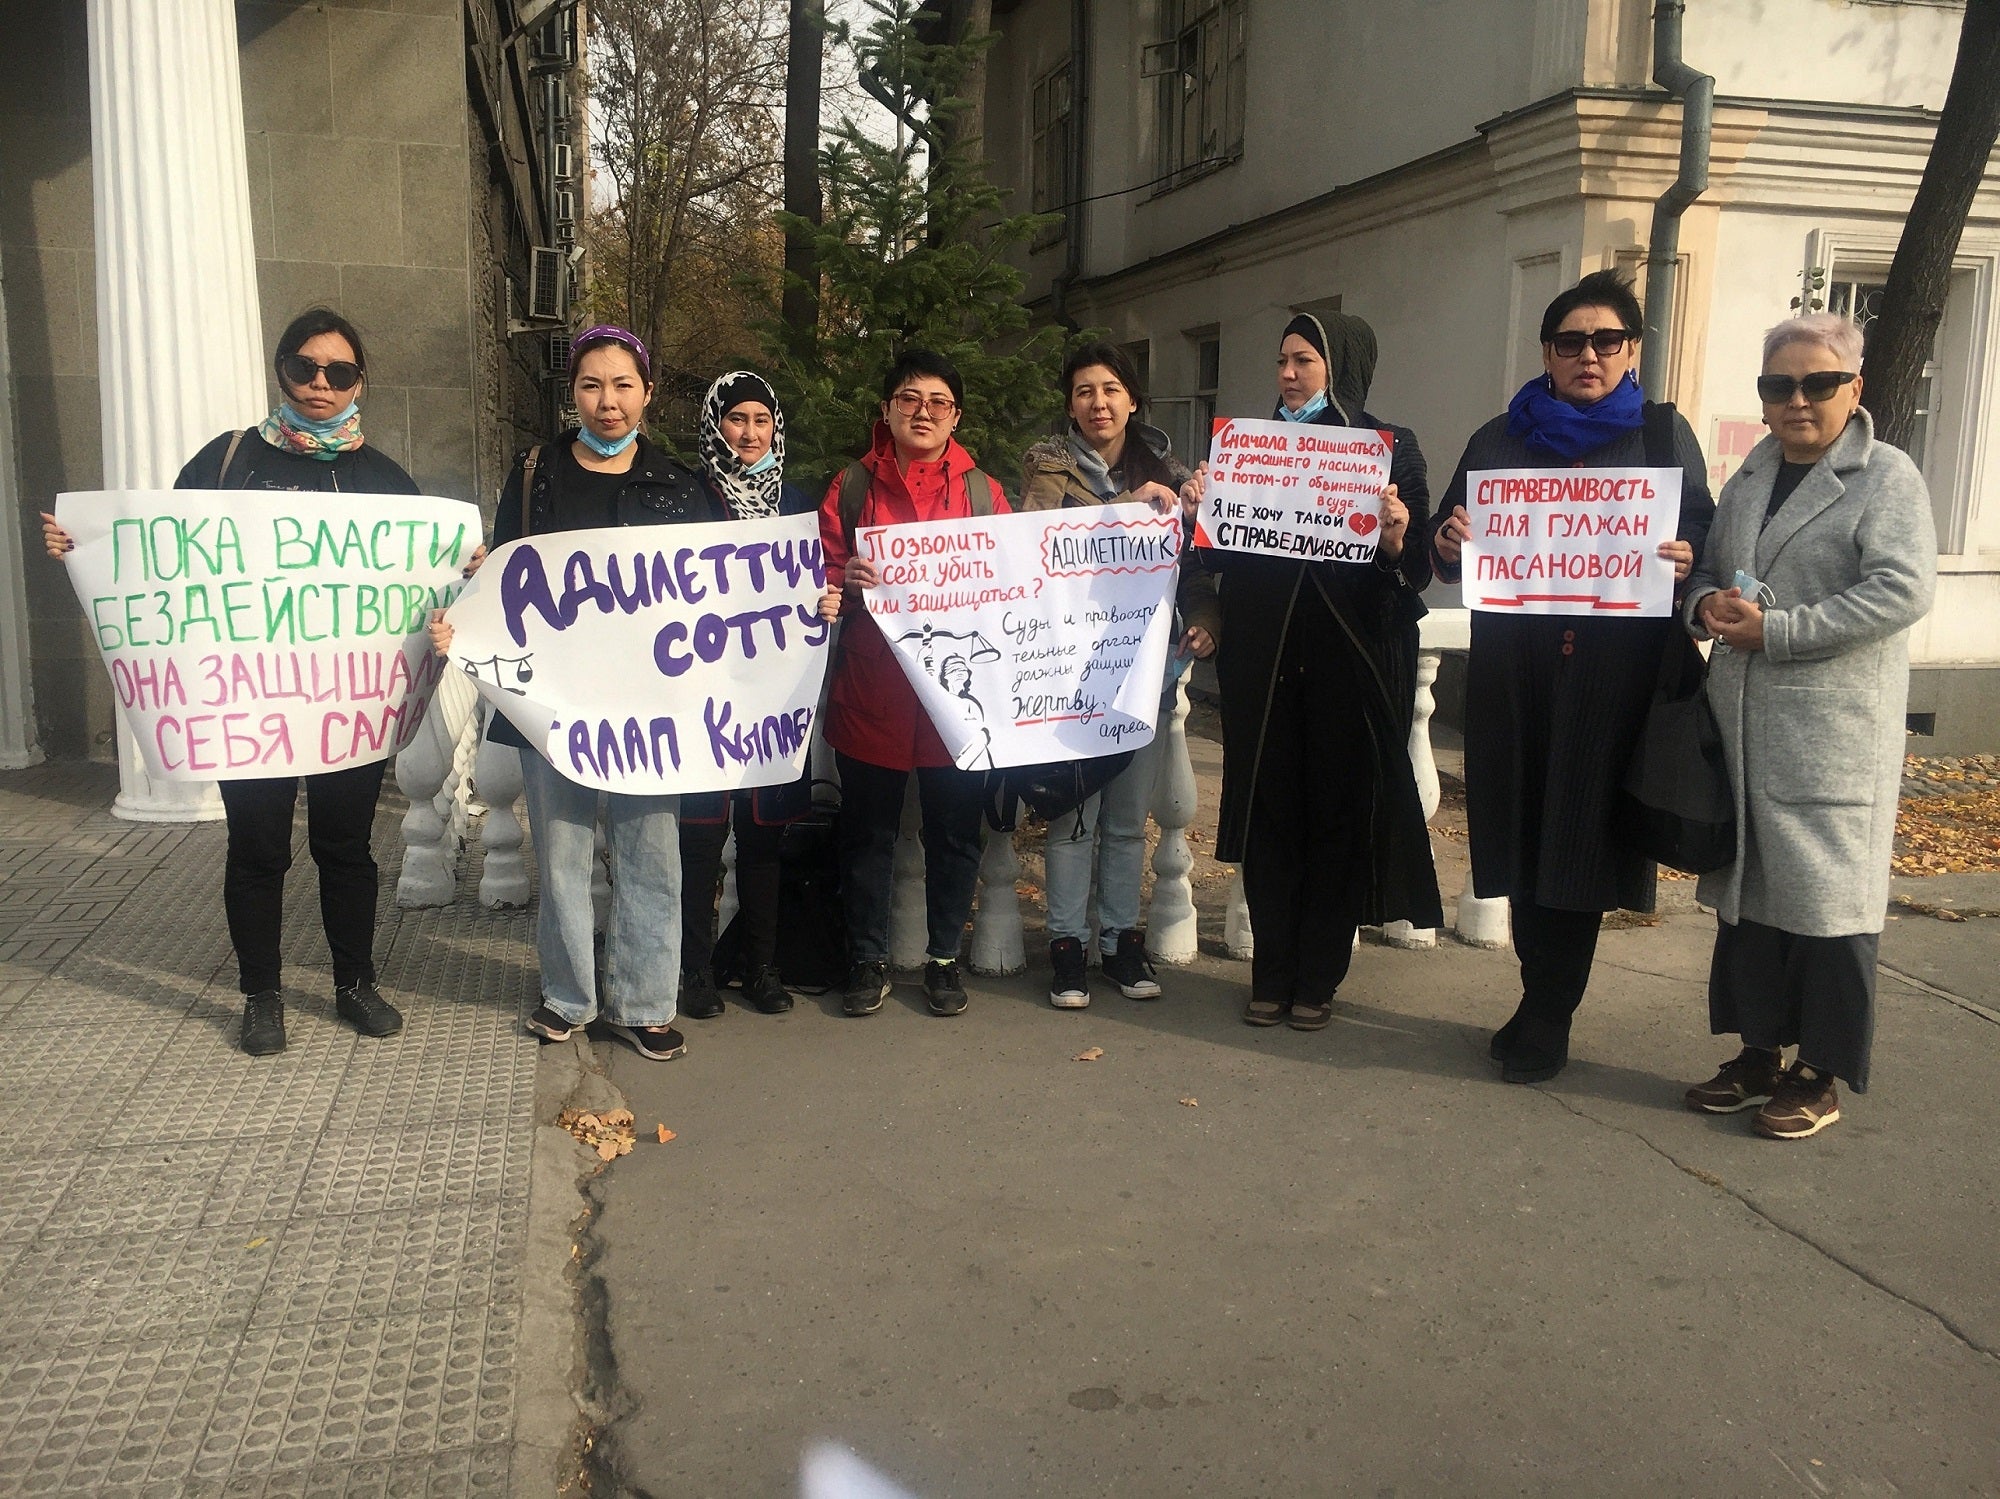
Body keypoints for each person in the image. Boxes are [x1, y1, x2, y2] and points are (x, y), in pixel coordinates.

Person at [42, 307, 422, 1057]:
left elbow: (423, 574)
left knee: (346, 846)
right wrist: (83, 546)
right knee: (258, 848)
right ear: (280, 369)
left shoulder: (384, 479)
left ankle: (355, 982)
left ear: (359, 384)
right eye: (304, 367)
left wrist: (463, 566)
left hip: (349, 701)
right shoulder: (229, 460)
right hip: (249, 701)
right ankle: (261, 993)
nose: (320, 383)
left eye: (338, 372)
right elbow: (158, 550)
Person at [1429, 270, 1713, 1084]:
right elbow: (1445, 550)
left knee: (1581, 841)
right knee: (1519, 831)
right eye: (1570, 342)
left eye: (1606, 340)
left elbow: (1703, 536)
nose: (1588, 355)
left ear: (1630, 350)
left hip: (1611, 678)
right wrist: (1449, 541)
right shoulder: (1497, 440)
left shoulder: (1661, 437)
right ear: (1547, 353)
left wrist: (1689, 558)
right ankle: (1536, 990)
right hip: (1516, 676)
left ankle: (1549, 1012)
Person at [430, 326, 717, 1060]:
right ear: (574, 393)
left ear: (647, 392)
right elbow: (495, 583)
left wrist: (804, 609)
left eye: (623, 385)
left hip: (651, 710)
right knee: (559, 850)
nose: (608, 401)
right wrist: (463, 617)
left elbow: (726, 592)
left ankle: (646, 1002)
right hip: (551, 704)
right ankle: (567, 996)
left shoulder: (683, 488)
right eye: (592, 385)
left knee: (651, 849)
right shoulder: (534, 476)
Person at [1680, 314, 1935, 1138]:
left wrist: (1777, 631)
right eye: (1778, 385)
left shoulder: (1885, 478)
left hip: (1830, 734)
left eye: (1817, 383)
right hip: (1746, 730)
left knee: (1828, 911)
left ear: (1854, 390)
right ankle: (1758, 1054)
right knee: (1750, 902)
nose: (1797, 400)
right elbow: (1720, 572)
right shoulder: (1753, 474)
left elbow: (1901, 589)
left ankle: (1819, 1073)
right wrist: (1705, 604)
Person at [1191, 312, 1442, 1030]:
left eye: (1304, 359)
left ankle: (1318, 978)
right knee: (1271, 817)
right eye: (1282, 361)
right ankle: (1270, 972)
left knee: (1336, 818)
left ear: (1340, 365)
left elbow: (1418, 569)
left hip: (1350, 665)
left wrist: (1396, 538)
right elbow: (1218, 558)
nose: (1289, 374)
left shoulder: (1389, 448)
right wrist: (1202, 511)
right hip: (1264, 668)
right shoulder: (1251, 449)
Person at [1018, 341, 1219, 1009]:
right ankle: (1068, 945)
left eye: (1110, 389)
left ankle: (1118, 941)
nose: (1097, 402)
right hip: (1070, 680)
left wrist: (1203, 616)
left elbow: (1194, 569)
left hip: (1146, 677)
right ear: (1070, 403)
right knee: (1074, 821)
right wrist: (1127, 508)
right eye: (1083, 390)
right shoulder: (1046, 471)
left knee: (1130, 820)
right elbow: (1037, 552)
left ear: (1134, 399)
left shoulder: (1174, 473)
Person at [819, 350, 1009, 1019]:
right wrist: (843, 581)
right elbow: (821, 576)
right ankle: (867, 960)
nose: (922, 411)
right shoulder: (851, 487)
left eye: (937, 401)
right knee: (867, 834)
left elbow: (1014, 584)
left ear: (956, 415)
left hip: (958, 699)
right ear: (887, 410)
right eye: (909, 398)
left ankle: (942, 961)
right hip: (873, 693)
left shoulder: (982, 492)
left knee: (956, 834)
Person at [676, 371, 836, 1020]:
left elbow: (818, 577)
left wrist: (825, 599)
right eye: (736, 419)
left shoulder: (797, 503)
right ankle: (694, 971)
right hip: (705, 696)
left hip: (773, 699)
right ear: (717, 424)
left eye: (761, 420)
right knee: (701, 838)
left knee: (765, 835)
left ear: (776, 428)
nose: (749, 432)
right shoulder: (689, 497)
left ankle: (760, 965)